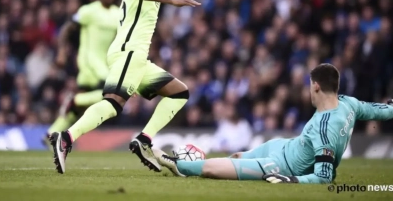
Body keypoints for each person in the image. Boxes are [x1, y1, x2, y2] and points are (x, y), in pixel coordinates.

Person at [50, 0, 200, 174]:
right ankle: (66, 138)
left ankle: (144, 140)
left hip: (137, 57)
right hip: (129, 53)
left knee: (179, 92)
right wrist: (171, 1)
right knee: (113, 103)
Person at [155, 63, 393, 183]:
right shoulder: (347, 103)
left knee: (213, 169)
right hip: (281, 146)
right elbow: (378, 110)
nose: (309, 91)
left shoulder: (325, 128)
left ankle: (178, 164)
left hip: (279, 165)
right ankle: (186, 163)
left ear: (317, 86)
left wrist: (291, 180)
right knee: (236, 157)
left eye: (310, 86)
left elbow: (324, 176)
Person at [43, 0, 119, 147]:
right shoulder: (88, 11)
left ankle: (51, 133)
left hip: (105, 63)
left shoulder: (118, 14)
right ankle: (76, 99)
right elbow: (66, 29)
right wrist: (62, 51)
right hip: (89, 63)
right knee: (114, 94)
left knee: (78, 109)